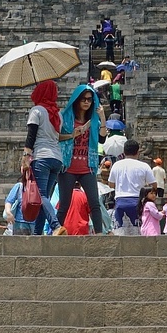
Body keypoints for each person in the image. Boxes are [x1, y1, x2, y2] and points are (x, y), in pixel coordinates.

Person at [57, 83, 108, 235]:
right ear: (77, 100)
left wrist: (102, 117)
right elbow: (56, 137)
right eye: (83, 99)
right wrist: (74, 134)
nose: (87, 102)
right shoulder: (65, 119)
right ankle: (55, 232)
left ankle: (99, 234)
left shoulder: (93, 121)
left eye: (90, 99)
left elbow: (102, 139)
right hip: (68, 167)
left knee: (94, 202)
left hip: (88, 166)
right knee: (64, 204)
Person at [21, 80, 66, 236]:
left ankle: (55, 226)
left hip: (42, 157)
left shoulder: (37, 110)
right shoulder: (58, 114)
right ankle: (37, 233)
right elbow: (57, 136)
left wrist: (26, 158)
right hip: (57, 159)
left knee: (41, 195)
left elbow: (31, 136)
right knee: (43, 199)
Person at [107, 139, 156, 235]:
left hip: (120, 201)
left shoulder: (116, 165)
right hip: (137, 201)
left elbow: (111, 184)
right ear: (138, 152)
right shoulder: (144, 166)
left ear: (124, 152)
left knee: (119, 232)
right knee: (138, 232)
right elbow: (154, 185)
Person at [2, 171, 33, 236]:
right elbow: (9, 201)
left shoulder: (40, 188)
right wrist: (8, 212)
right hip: (20, 222)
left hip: (35, 223)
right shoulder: (19, 186)